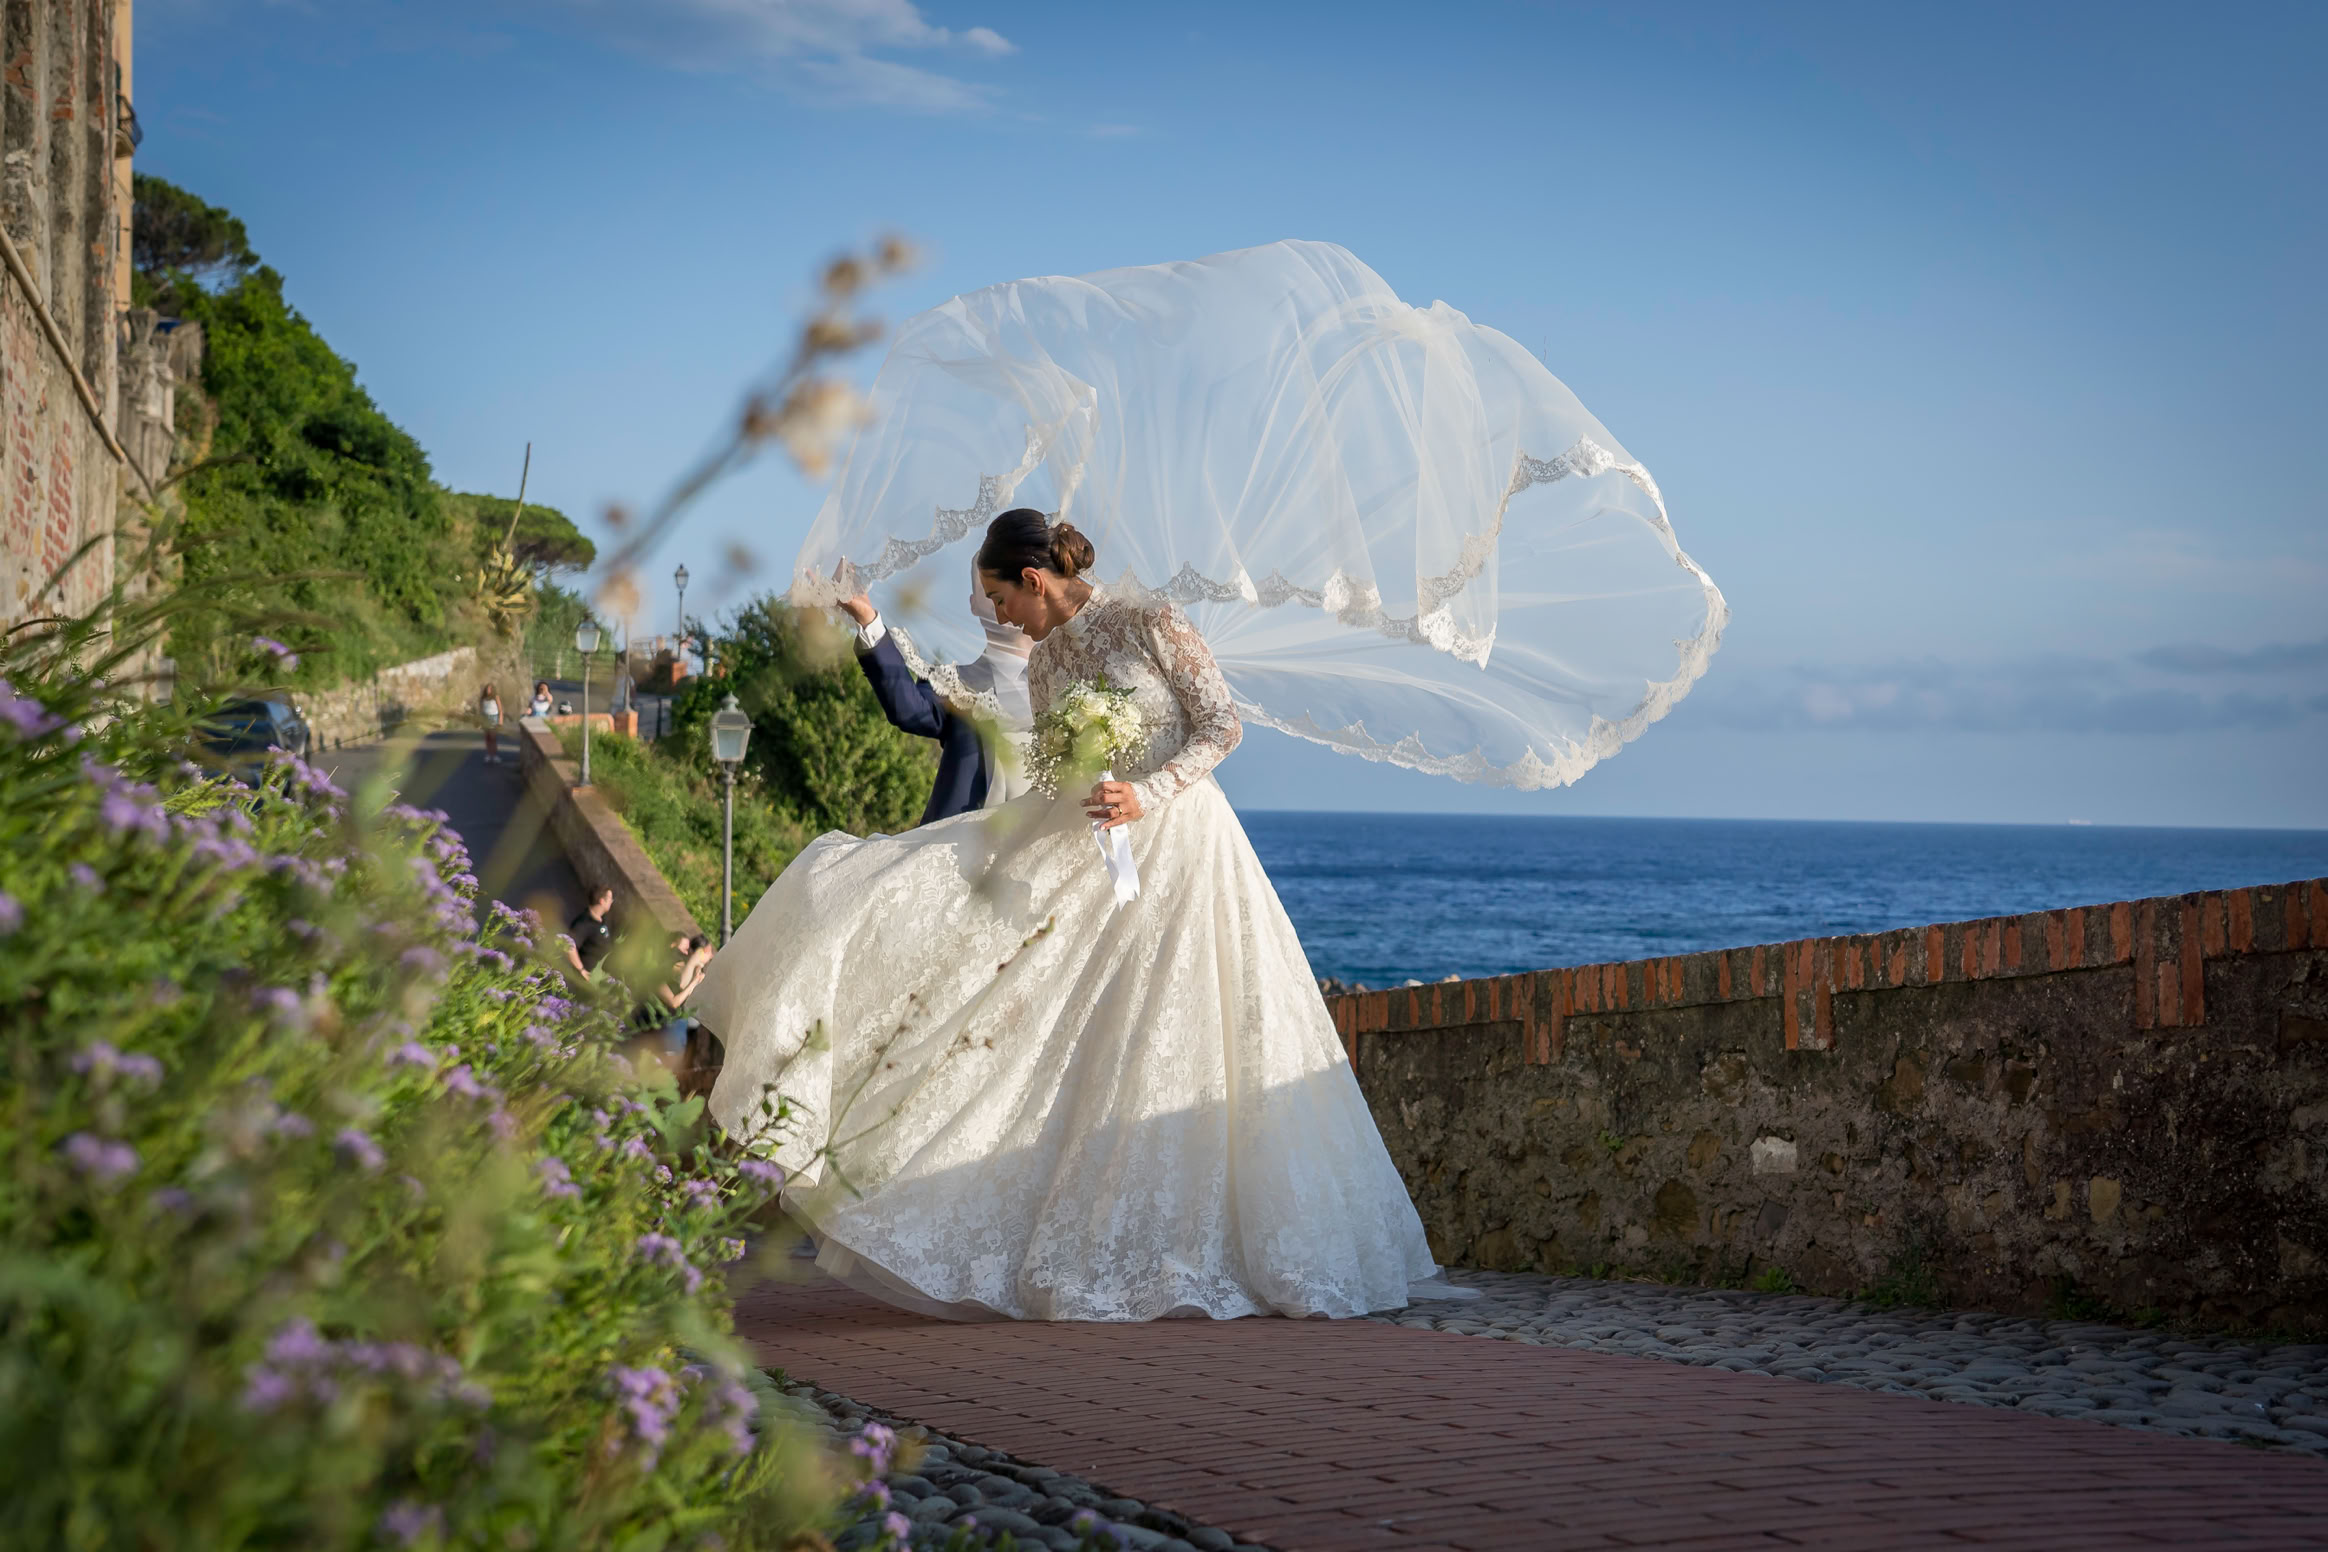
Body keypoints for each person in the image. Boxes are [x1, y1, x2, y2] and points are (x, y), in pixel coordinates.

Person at [689, 511, 1454, 1322]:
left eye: (998, 598)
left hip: (1187, 846)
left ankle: (1226, 1241)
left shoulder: (1151, 620)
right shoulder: (1048, 664)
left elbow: (1221, 726)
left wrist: (1146, 792)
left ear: (1035, 580)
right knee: (1070, 1024)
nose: (997, 617)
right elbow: (1055, 772)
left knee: (1197, 1028)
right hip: (1095, 852)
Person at [836, 558, 1034, 824]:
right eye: (989, 592)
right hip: (958, 846)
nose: (1002, 603)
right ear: (974, 604)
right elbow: (908, 709)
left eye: (1010, 587)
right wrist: (867, 618)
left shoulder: (1073, 683)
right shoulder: (954, 683)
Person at [565, 886, 615, 979]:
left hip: (601, 975)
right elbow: (569, 946)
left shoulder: (602, 918)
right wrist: (581, 970)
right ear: (602, 901)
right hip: (589, 978)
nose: (612, 901)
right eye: (610, 899)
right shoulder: (584, 923)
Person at [478, 682, 503, 764]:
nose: (488, 690)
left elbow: (500, 710)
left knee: (493, 738)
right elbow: (481, 710)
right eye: (487, 688)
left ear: (493, 690)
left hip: (493, 718)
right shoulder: (483, 698)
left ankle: (494, 755)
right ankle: (489, 755)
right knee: (487, 737)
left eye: (490, 689)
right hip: (485, 718)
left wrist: (500, 721)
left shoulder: (495, 697)